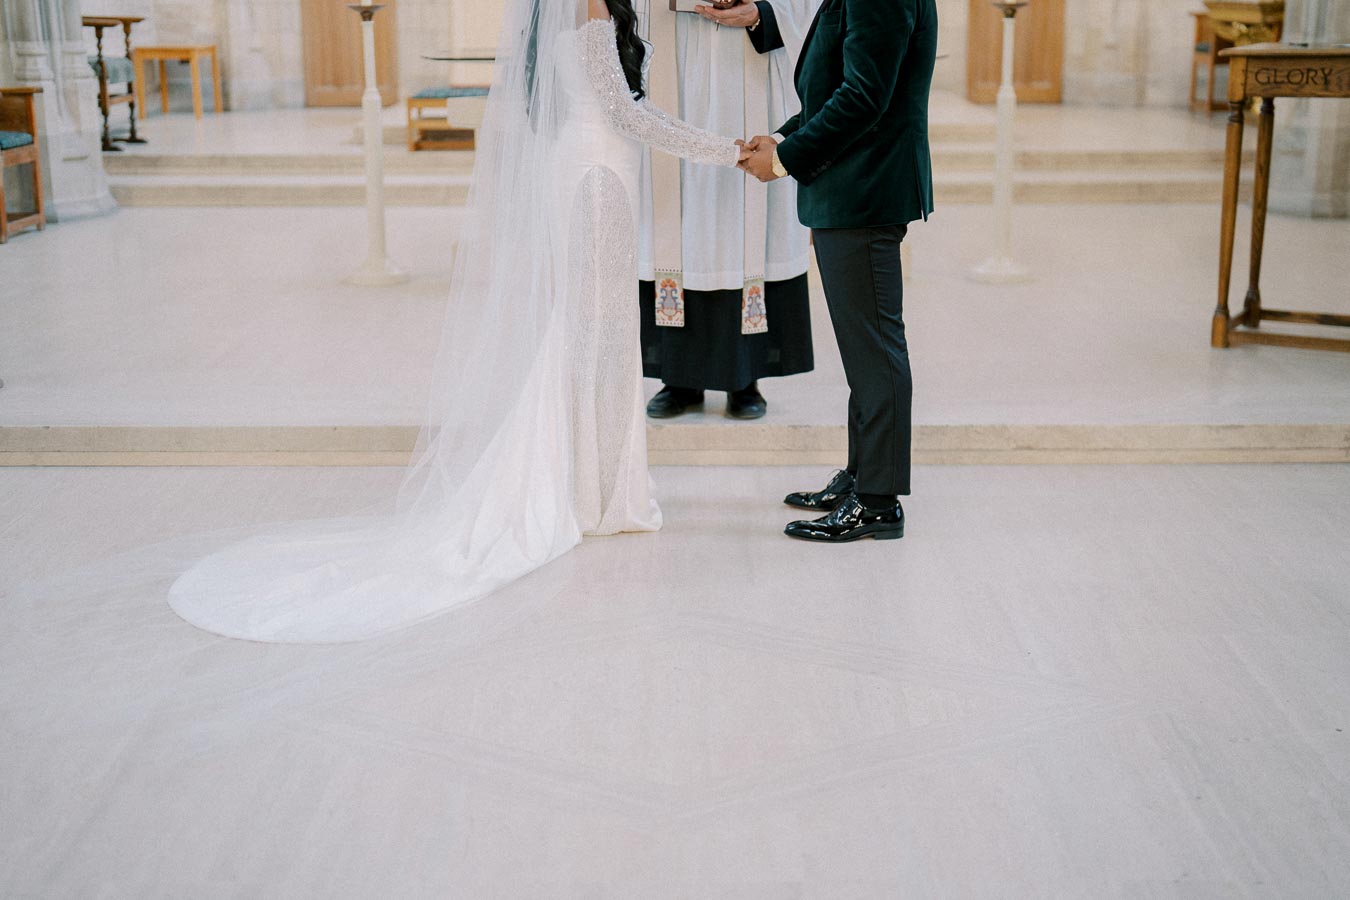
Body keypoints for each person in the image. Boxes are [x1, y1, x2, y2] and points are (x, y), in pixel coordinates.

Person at [165, 0, 747, 642]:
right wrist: (726, 150)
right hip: (598, 181)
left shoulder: (591, 9)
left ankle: (594, 488)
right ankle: (593, 496)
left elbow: (620, 107)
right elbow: (626, 113)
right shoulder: (588, 5)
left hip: (594, 171)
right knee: (595, 340)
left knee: (596, 339)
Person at [739, 0, 937, 542]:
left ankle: (877, 502)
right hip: (852, 186)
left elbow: (864, 98)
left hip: (867, 189)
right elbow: (838, 87)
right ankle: (862, 476)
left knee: (874, 346)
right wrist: (782, 138)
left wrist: (784, 160)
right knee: (862, 346)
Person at [639, 0, 821, 421]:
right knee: (679, 224)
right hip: (672, 68)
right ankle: (677, 377)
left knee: (744, 220)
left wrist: (761, 13)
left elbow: (811, 8)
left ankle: (746, 375)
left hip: (749, 68)